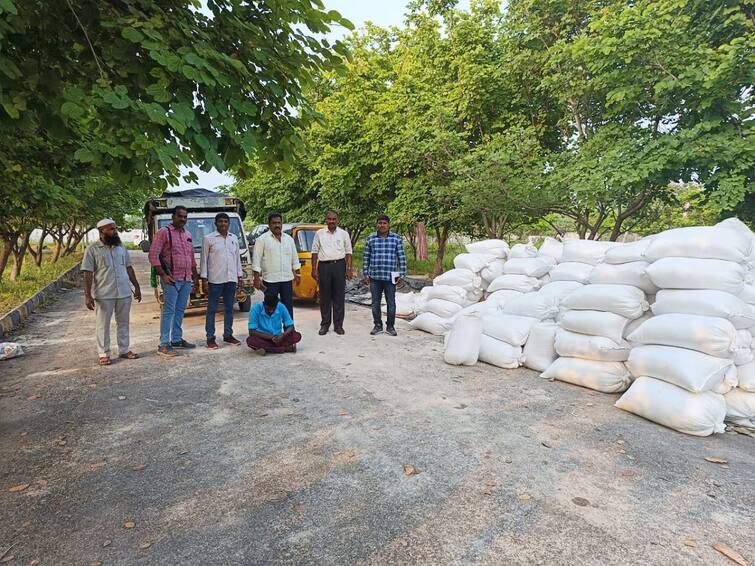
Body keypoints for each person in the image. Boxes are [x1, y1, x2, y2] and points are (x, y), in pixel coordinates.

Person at [82, 219, 142, 366]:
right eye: (111, 229)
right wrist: (87, 295)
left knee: (123, 322)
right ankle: (104, 353)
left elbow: (129, 267)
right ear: (101, 231)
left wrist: (136, 286)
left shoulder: (121, 247)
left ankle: (124, 349)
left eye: (115, 229)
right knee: (103, 325)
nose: (115, 232)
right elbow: (87, 273)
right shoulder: (92, 249)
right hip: (104, 294)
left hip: (123, 291)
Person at [149, 205, 199, 356]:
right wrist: (163, 275)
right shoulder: (164, 232)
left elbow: (191, 258)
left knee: (180, 310)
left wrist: (195, 277)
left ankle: (176, 339)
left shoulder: (187, 234)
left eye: (185, 217)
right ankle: (164, 344)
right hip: (171, 278)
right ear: (173, 217)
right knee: (169, 311)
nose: (182, 219)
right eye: (180, 216)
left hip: (186, 278)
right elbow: (153, 255)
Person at [200, 212, 244, 349]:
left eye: (225, 221)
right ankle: (210, 338)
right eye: (220, 221)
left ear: (228, 224)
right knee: (212, 309)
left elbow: (237, 259)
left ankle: (228, 335)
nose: (223, 224)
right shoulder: (209, 239)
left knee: (229, 308)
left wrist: (239, 276)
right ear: (216, 223)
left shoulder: (234, 238)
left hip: (231, 279)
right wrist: (204, 279)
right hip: (215, 280)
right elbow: (204, 260)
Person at [362, 215, 407, 336]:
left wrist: (402, 275)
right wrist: (365, 274)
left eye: (384, 223)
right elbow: (366, 257)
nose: (382, 225)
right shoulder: (371, 238)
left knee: (391, 303)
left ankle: (390, 326)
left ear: (388, 225)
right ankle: (377, 325)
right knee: (375, 303)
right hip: (375, 277)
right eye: (380, 223)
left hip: (391, 277)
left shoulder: (396, 238)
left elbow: (401, 257)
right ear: (377, 225)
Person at [251, 212, 301, 319]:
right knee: (270, 307)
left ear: (282, 223)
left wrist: (297, 274)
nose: (277, 225)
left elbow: (294, 258)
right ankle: (271, 332)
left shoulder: (289, 239)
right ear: (269, 225)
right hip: (270, 280)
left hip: (287, 279)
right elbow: (256, 259)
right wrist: (256, 278)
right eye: (274, 223)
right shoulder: (262, 240)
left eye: (279, 223)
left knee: (288, 307)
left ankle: (289, 332)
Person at [311, 210, 353, 335]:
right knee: (324, 297)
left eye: (334, 219)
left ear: (337, 220)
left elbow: (349, 252)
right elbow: (314, 252)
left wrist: (349, 269)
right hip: (324, 267)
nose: (331, 221)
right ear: (326, 220)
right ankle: (325, 325)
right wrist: (313, 269)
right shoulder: (319, 233)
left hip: (339, 266)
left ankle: (338, 325)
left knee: (339, 297)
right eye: (329, 219)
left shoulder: (343, 234)